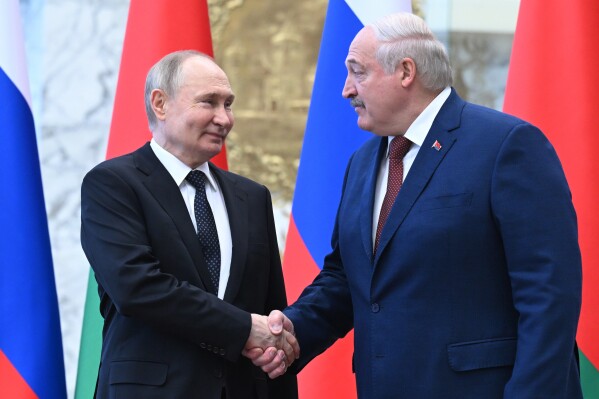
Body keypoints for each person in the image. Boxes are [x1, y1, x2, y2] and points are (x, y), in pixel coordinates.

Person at [250, 12, 583, 399]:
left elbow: (548, 295)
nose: (346, 90)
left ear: (406, 71)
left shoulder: (506, 146)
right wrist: (289, 332)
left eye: (358, 72)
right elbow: (347, 277)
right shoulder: (362, 163)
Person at [80, 50, 298, 399]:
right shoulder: (113, 184)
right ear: (160, 104)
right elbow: (138, 288)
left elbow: (271, 310)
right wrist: (244, 329)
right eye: (208, 102)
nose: (224, 118)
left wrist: (274, 346)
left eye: (228, 104)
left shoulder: (252, 197)